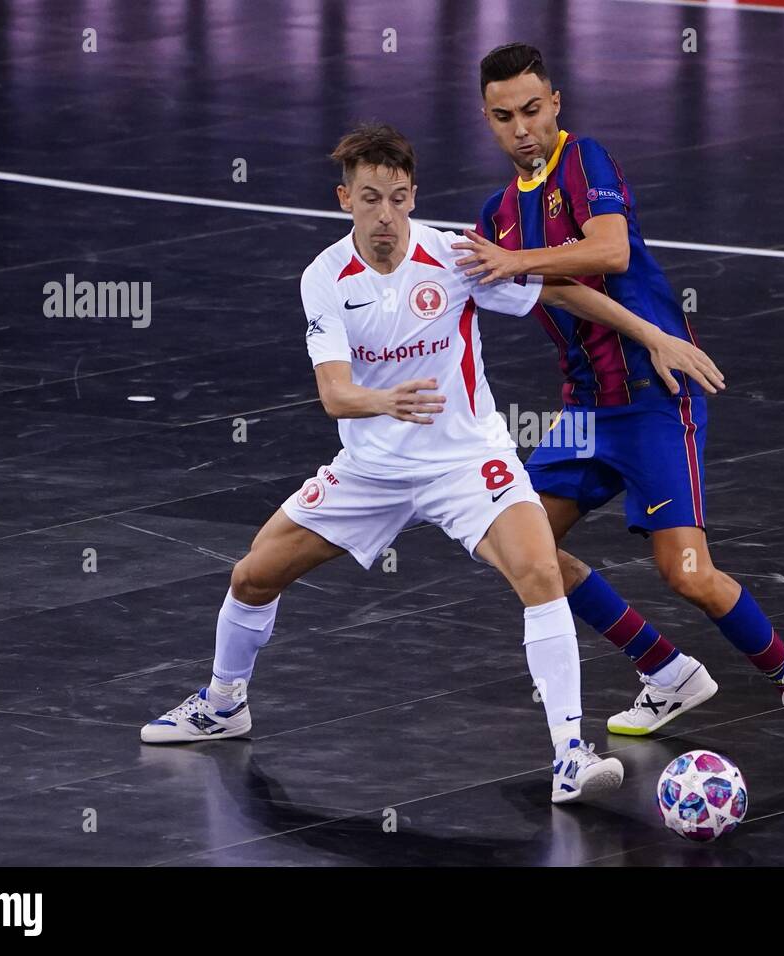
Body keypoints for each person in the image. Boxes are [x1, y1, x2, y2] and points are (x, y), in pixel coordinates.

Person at [140, 122, 722, 804]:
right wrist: (385, 400)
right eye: (368, 199)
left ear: (412, 196)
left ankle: (570, 751)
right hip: (372, 469)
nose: (384, 215)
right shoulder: (325, 277)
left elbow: (560, 290)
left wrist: (654, 334)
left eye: (396, 198)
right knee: (253, 574)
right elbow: (333, 394)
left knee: (538, 569)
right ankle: (223, 702)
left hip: (468, 461)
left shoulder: (453, 257)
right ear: (343, 200)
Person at [453, 43, 784, 775]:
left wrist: (641, 333)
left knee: (690, 573)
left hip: (653, 399)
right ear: (487, 119)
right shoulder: (498, 217)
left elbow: (606, 252)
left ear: (557, 104)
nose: (522, 129)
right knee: (522, 550)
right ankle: (665, 670)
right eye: (504, 116)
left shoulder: (586, 162)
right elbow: (562, 289)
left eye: (534, 110)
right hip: (582, 410)